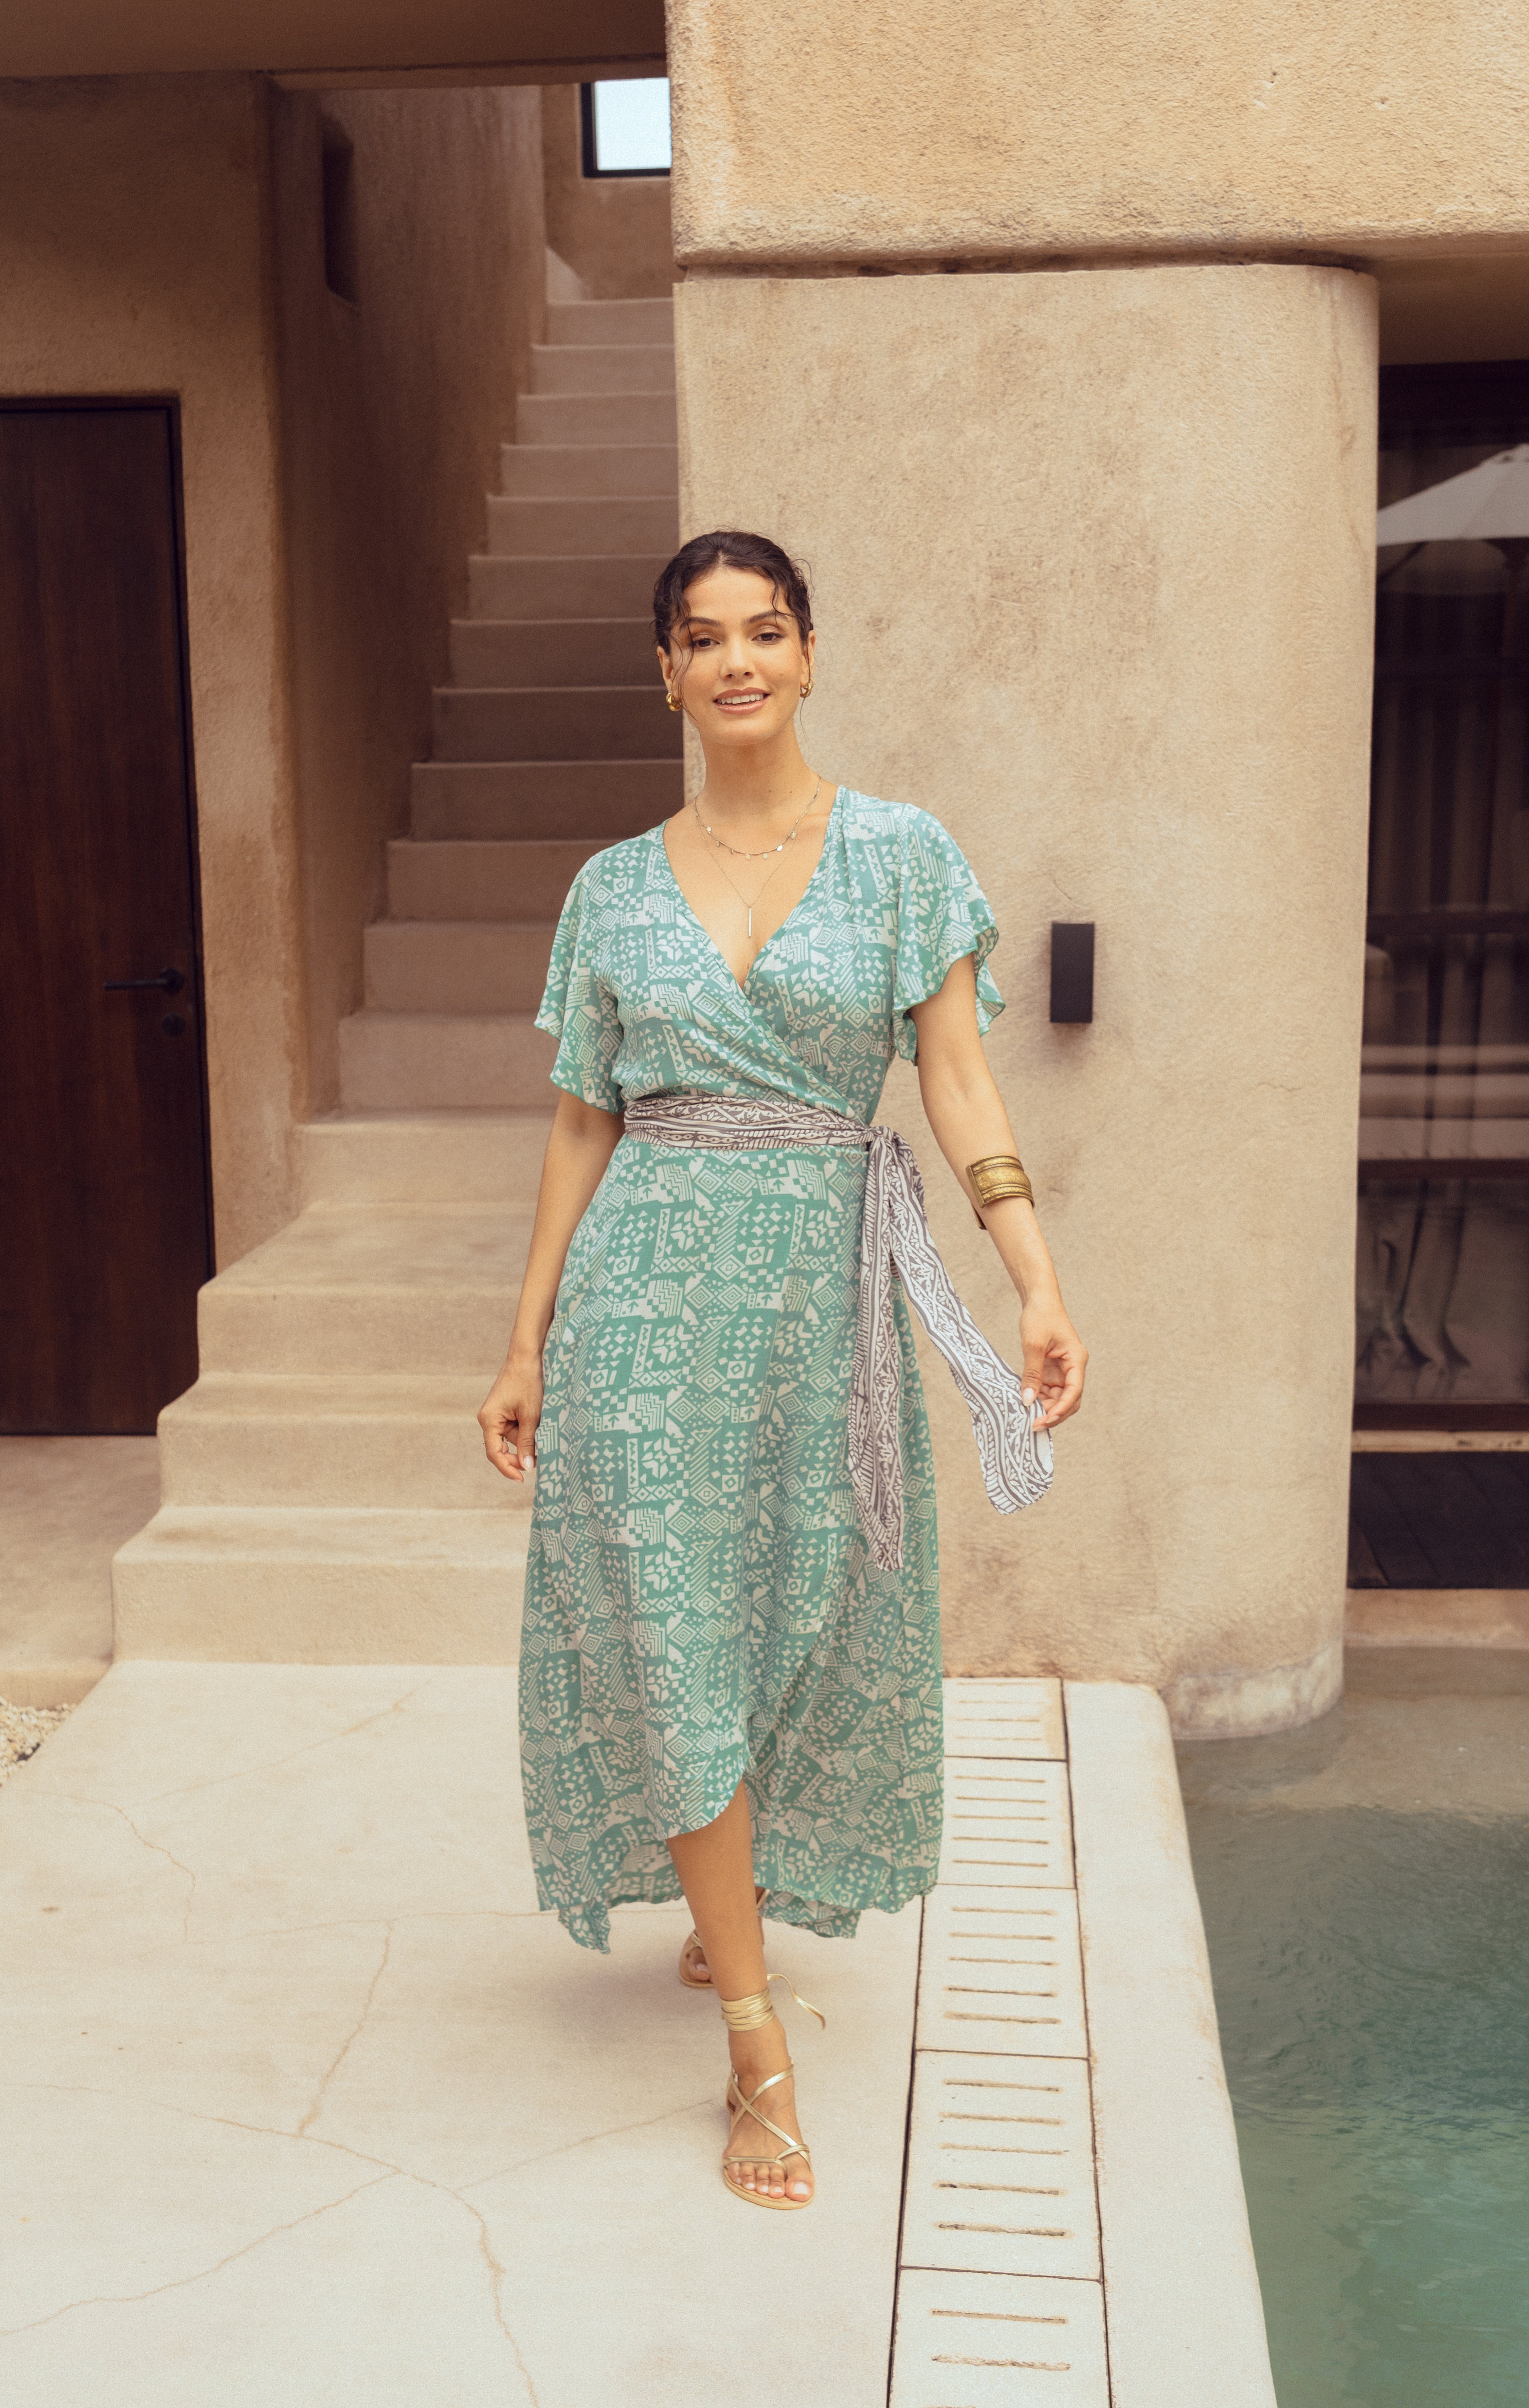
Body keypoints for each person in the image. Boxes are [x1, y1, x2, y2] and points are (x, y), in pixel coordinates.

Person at [478, 530, 1087, 2212]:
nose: (735, 659)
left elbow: (957, 1086)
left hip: (824, 1295)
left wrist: (1033, 1278)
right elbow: (581, 1115)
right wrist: (528, 1334)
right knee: (675, 1629)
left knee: (805, 1606)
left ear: (809, 654)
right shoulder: (611, 886)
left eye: (764, 630)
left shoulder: (901, 856)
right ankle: (757, 2043)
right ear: (664, 674)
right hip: (641, 1310)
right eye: (700, 637)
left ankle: (725, 1899)